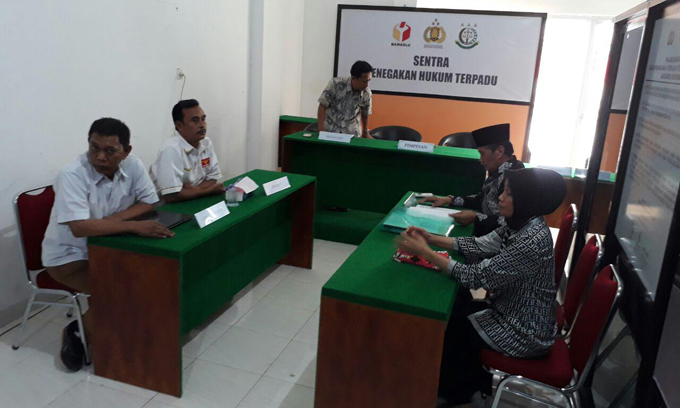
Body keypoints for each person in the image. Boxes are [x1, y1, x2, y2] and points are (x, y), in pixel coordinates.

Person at [398, 168, 567, 407]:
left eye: (508, 193)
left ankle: (456, 393)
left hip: (524, 331)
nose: (500, 198)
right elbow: (481, 244)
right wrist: (431, 239)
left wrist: (425, 252)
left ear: (527, 199)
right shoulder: (523, 223)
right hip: (510, 312)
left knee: (452, 327)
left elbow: (476, 277)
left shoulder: (530, 241)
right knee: (456, 310)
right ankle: (466, 382)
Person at [42, 118, 174, 372]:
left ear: (126, 151)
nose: (100, 157)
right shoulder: (72, 173)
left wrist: (116, 220)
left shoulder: (133, 165)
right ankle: (78, 331)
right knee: (125, 290)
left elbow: (149, 201)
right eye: (94, 148)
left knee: (153, 278)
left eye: (110, 151)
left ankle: (118, 328)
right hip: (70, 258)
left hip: (109, 249)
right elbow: (79, 227)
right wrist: (133, 226)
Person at [420, 123, 524, 237]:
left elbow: (511, 223)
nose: (480, 160)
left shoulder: (517, 178)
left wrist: (476, 218)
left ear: (499, 151)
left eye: (482, 154)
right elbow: (482, 199)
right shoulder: (498, 171)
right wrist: (449, 200)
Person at [150, 99, 224, 202]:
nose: (202, 125)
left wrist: (191, 191)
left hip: (194, 200)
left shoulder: (206, 143)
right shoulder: (171, 149)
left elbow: (212, 179)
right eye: (195, 120)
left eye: (203, 119)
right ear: (179, 125)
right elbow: (171, 196)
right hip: (167, 207)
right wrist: (208, 191)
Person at [317, 60, 373, 138]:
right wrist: (321, 129)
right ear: (354, 78)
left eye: (369, 81)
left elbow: (365, 113)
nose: (367, 85)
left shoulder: (366, 93)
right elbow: (322, 105)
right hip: (331, 132)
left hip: (352, 134)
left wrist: (365, 131)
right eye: (364, 81)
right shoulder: (335, 84)